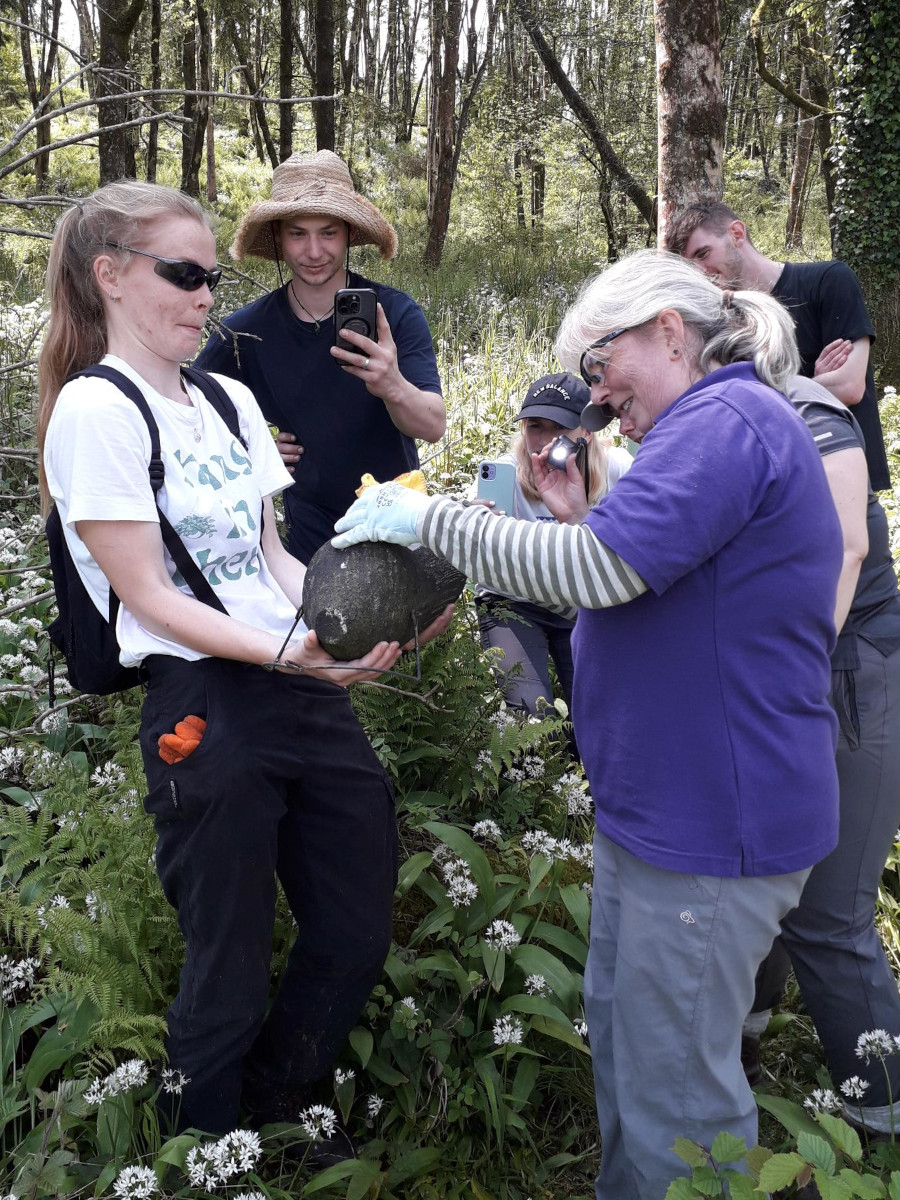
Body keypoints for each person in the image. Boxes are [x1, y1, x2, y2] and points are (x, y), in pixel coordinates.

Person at [329, 249, 844, 1200]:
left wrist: (428, 519)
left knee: (679, 1105)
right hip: (665, 817)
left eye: (601, 367)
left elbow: (605, 574)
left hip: (712, 825)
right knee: (633, 1052)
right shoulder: (702, 430)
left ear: (667, 330)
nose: (596, 400)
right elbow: (635, 573)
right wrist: (575, 526)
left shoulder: (725, 419)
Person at [37, 181, 451, 1147]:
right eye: (183, 275)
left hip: (295, 676)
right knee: (224, 961)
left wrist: (351, 624)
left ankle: (278, 1100)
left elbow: (272, 557)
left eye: (211, 279)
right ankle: (205, 1153)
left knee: (354, 923)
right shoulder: (95, 412)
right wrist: (290, 653)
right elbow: (147, 594)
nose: (202, 297)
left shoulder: (226, 395)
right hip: (203, 704)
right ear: (112, 277)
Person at [744, 375, 900, 1131]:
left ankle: (883, 1120)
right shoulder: (716, 423)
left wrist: (790, 668)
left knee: (830, 912)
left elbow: (847, 547)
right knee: (772, 875)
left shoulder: (806, 410)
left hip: (847, 666)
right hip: (792, 674)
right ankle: (744, 1048)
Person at [195, 149, 445, 564]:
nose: (314, 251)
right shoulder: (246, 331)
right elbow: (185, 411)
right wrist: (250, 454)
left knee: (400, 629)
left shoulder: (395, 314)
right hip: (307, 538)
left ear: (349, 233)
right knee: (317, 628)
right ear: (278, 236)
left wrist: (391, 385)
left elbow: (433, 425)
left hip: (395, 519)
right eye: (298, 233)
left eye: (328, 232)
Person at [664, 200, 890, 491]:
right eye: (691, 266)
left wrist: (764, 395)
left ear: (736, 233)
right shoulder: (717, 327)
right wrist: (814, 386)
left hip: (849, 480)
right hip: (776, 494)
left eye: (703, 253)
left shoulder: (828, 281)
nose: (702, 271)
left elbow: (849, 386)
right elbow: (727, 416)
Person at [473, 371, 631, 736]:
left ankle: (583, 789)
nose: (543, 441)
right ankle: (532, 788)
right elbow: (479, 557)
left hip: (580, 604)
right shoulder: (506, 473)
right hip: (513, 600)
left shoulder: (618, 471)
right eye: (534, 426)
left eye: (559, 427)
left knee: (598, 716)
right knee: (531, 717)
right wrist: (480, 524)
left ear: (587, 431)